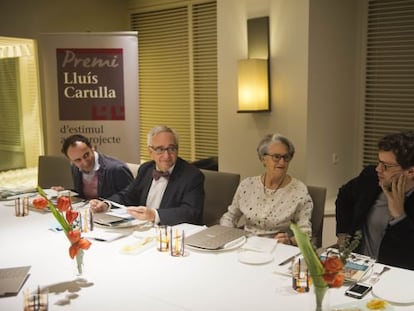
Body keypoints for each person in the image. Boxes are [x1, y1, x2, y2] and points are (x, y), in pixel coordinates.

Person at [89, 125, 205, 226]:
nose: (167, 156)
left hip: (171, 234)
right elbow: (128, 195)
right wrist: (106, 204)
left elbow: (191, 212)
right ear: (150, 152)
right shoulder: (146, 169)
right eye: (160, 149)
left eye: (172, 148)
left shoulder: (192, 176)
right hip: (142, 230)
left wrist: (154, 215)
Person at [335, 130, 414, 270]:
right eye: (379, 162)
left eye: (386, 166)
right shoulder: (371, 178)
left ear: (410, 172)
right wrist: (343, 234)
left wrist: (399, 216)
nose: (378, 169)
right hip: (357, 267)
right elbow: (344, 197)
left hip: (395, 275)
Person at [220, 133, 313, 245]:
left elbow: (306, 233)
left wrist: (290, 241)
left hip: (278, 249)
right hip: (246, 245)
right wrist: (226, 235)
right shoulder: (247, 185)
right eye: (276, 157)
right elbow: (230, 216)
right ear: (262, 158)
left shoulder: (298, 190)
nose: (282, 162)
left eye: (286, 157)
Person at [54, 134, 134, 200]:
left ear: (92, 148)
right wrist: (65, 192)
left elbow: (131, 196)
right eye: (78, 160)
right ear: (71, 160)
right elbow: (84, 195)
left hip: (114, 214)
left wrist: (106, 204)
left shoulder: (117, 168)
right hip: (89, 214)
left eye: (86, 155)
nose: (84, 162)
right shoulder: (75, 168)